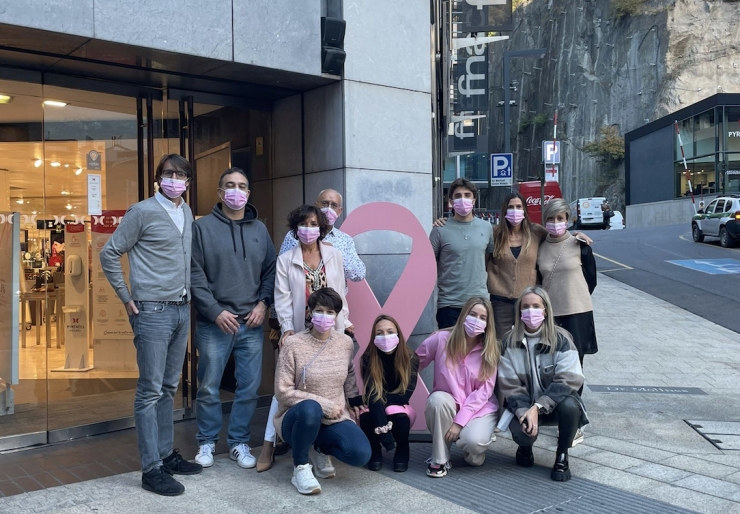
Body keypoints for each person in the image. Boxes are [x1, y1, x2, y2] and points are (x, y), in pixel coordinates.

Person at [100, 154, 202, 496]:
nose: (176, 179)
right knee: (150, 390)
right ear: (158, 178)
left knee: (169, 388)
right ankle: (151, 468)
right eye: (169, 174)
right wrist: (126, 296)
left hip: (181, 310)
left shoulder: (186, 211)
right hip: (152, 311)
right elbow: (109, 252)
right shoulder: (141, 211)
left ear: (188, 181)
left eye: (182, 174)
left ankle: (165, 454)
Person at [190, 167, 276, 470]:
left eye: (241, 185)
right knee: (209, 386)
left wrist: (263, 304)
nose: (235, 191)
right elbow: (194, 274)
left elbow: (270, 271)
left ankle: (239, 441)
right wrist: (215, 311)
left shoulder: (260, 230)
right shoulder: (201, 229)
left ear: (248, 193)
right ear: (219, 192)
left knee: (249, 387)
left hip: (251, 322)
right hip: (214, 323)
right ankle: (207, 440)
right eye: (229, 185)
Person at [258, 205, 353, 471]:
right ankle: (269, 443)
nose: (308, 229)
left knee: (328, 386)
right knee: (286, 388)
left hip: (330, 330)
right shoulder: (286, 258)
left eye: (314, 224)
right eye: (303, 223)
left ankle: (320, 447)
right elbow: (283, 297)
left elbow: (341, 295)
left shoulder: (334, 254)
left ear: (321, 228)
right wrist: (287, 328)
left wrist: (343, 325)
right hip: (299, 331)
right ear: (295, 228)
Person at [274, 287, 371, 495]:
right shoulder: (293, 344)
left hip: (335, 417)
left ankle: (319, 448)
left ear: (337, 316)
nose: (324, 316)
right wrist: (325, 405)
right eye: (319, 310)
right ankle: (300, 467)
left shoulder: (345, 343)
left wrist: (354, 400)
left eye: (330, 312)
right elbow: (282, 392)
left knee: (360, 454)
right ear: (310, 312)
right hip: (298, 417)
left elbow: (350, 374)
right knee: (311, 409)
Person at [498, 286, 589, 482]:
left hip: (553, 406)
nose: (531, 311)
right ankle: (525, 446)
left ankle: (562, 455)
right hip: (523, 406)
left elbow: (570, 378)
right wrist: (524, 411)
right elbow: (509, 385)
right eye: (526, 306)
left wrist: (538, 407)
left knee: (571, 405)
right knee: (524, 435)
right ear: (519, 311)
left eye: (536, 306)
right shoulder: (508, 341)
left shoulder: (562, 339)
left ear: (545, 310)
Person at [416, 297, 499, 478]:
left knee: (474, 445)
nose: (476, 320)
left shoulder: (490, 350)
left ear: (487, 323)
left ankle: (472, 447)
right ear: (463, 316)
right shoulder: (440, 340)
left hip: (479, 408)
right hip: (448, 402)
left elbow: (483, 393)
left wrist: (458, 423)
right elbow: (413, 364)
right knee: (436, 400)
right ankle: (440, 459)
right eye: (473, 314)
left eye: (482, 317)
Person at [537, 198, 597, 383]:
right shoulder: (539, 246)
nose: (555, 223)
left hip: (577, 312)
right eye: (551, 219)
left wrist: (575, 295)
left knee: (575, 361)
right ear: (545, 220)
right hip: (550, 314)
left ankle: (573, 402)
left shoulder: (579, 244)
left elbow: (591, 279)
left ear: (568, 219)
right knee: (549, 360)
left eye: (560, 218)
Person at [357, 315, 419, 472]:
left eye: (390, 331)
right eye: (380, 333)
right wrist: (383, 427)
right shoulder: (368, 358)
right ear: (374, 337)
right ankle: (375, 451)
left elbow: (404, 396)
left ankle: (402, 449)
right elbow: (371, 392)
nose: (385, 336)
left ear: (398, 333)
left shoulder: (411, 358)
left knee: (396, 414)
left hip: (400, 405)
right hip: (375, 403)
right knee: (364, 415)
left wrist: (380, 414)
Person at [430, 178, 494, 329]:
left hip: (479, 302)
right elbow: (429, 263)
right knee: (450, 350)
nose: (463, 199)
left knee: (478, 350)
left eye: (467, 195)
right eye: (458, 196)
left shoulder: (486, 228)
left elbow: (487, 259)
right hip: (449, 304)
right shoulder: (440, 229)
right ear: (451, 201)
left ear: (474, 199)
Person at [278, 188, 366, 282]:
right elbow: (282, 269)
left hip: (333, 295)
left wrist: (335, 253)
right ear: (316, 206)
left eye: (334, 205)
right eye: (324, 203)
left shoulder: (345, 239)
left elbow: (359, 274)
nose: (329, 209)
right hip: (300, 293)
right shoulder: (294, 234)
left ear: (339, 211)